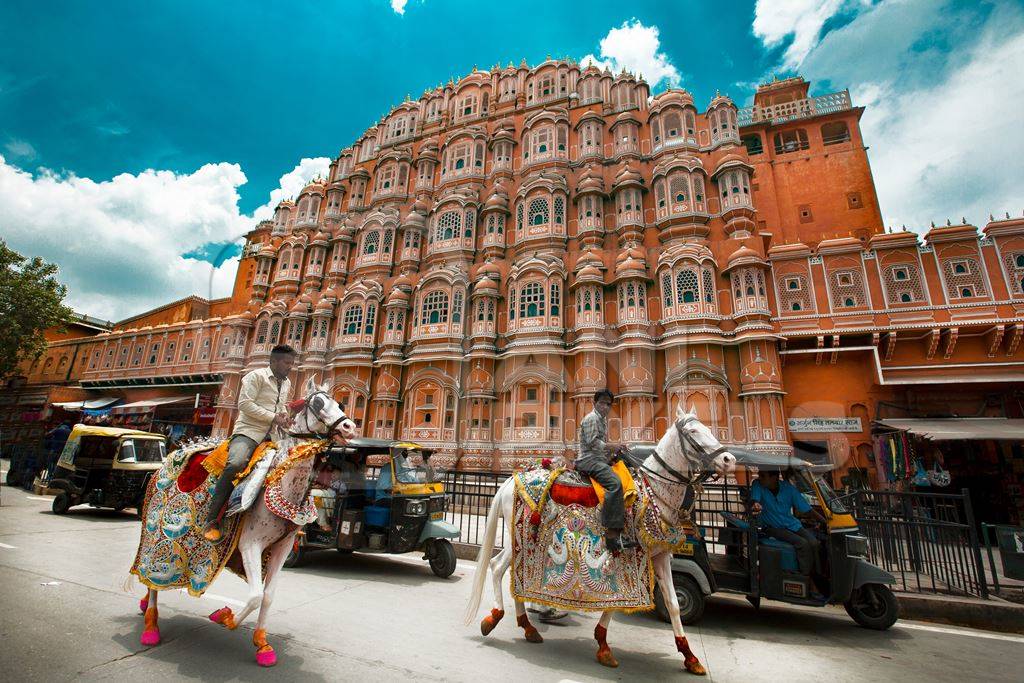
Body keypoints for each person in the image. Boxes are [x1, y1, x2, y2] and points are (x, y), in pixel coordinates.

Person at [203, 344, 296, 541]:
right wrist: (273, 417)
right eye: (287, 363)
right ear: (275, 361)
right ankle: (211, 520)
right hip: (249, 433)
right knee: (236, 464)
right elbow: (244, 404)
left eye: (292, 363)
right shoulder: (256, 376)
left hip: (274, 437)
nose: (290, 367)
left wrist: (285, 418)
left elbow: (280, 409)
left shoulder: (286, 383)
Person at [575, 389, 634, 552]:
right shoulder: (592, 419)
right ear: (594, 403)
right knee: (615, 483)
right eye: (602, 403)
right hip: (588, 460)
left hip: (598, 459)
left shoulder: (601, 420)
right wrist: (613, 446)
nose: (605, 407)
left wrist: (614, 453)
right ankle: (611, 535)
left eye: (608, 404)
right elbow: (594, 443)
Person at [750, 470, 827, 592]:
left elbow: (806, 508)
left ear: (774, 477)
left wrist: (825, 521)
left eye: (763, 476)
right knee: (802, 544)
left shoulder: (788, 489)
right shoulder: (758, 484)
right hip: (773, 527)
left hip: (792, 524)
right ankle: (806, 578)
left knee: (814, 543)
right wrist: (756, 505)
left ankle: (819, 575)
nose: (760, 478)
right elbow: (755, 501)